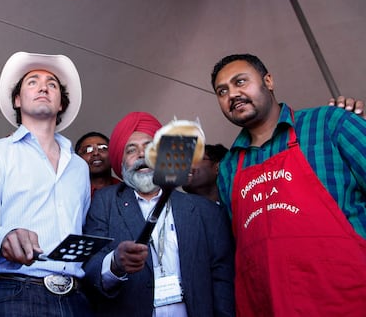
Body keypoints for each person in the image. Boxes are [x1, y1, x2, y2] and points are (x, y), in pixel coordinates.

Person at [211, 53, 366, 316]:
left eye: (241, 82)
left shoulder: (330, 123)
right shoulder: (228, 167)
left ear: (268, 81)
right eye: (222, 91)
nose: (233, 94)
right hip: (269, 304)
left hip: (347, 298)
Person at [0, 51, 93, 317]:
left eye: (52, 84)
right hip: (14, 292)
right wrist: (3, 238)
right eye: (32, 81)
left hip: (76, 297)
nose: (44, 86)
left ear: (60, 105)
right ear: (17, 99)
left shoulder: (80, 167)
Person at [82, 112, 235, 317]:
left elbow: (222, 280)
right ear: (121, 162)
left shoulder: (205, 212)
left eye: (149, 147)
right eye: (131, 150)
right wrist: (115, 263)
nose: (141, 155)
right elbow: (89, 266)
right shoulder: (105, 203)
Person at [75, 131, 120, 197]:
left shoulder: (125, 190)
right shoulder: (72, 193)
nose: (96, 153)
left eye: (103, 148)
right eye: (88, 150)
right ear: (77, 159)